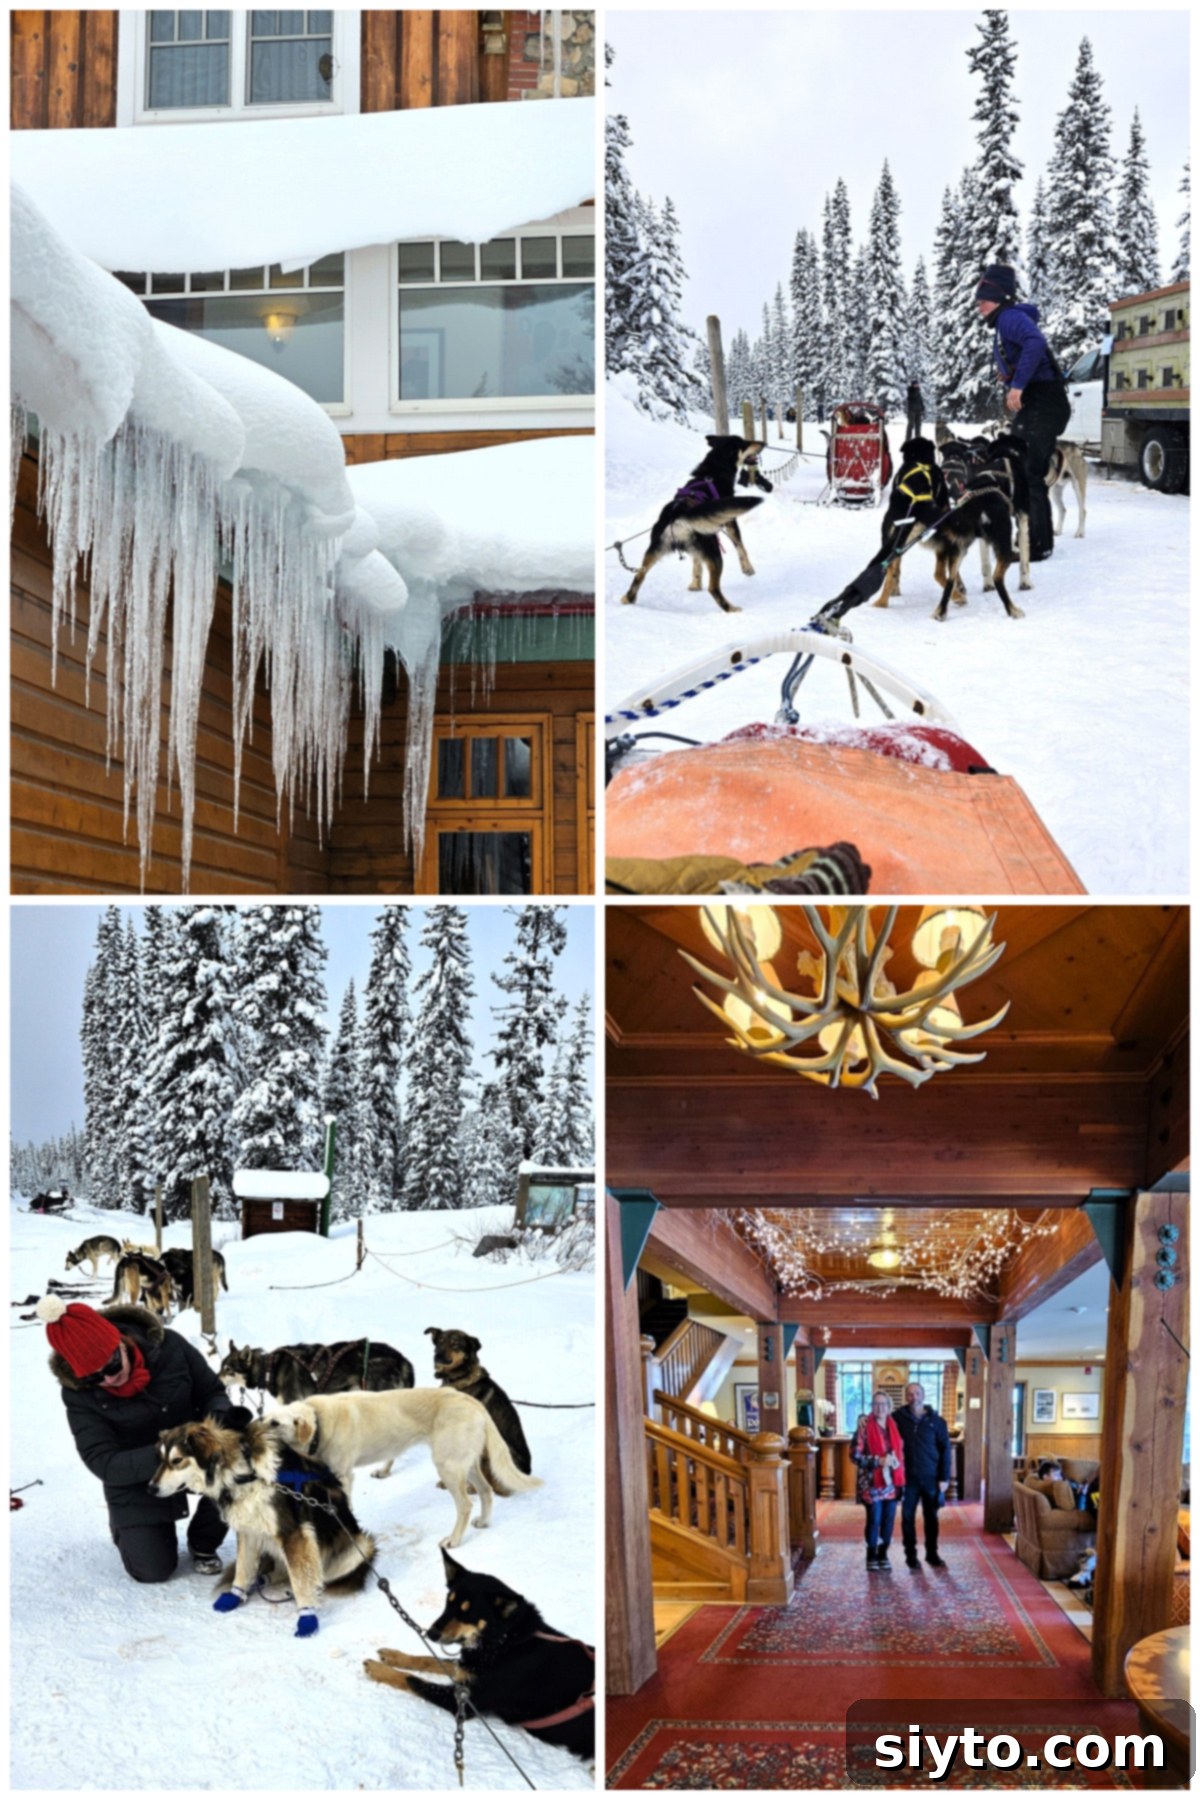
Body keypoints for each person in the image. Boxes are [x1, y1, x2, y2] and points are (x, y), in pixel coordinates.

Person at [37, 1292, 233, 1583]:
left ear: (120, 1342)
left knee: (236, 1466)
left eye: (112, 1365)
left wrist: (213, 1433)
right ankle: (128, 1529)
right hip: (137, 1476)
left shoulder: (170, 1346)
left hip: (196, 1455)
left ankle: (203, 1542)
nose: (108, 1378)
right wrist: (169, 1455)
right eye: (93, 1377)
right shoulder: (77, 1395)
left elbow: (213, 1394)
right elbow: (102, 1461)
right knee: (152, 1570)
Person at [974, 263, 1071, 564]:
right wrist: (1011, 376)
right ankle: (1030, 536)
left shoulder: (1010, 317)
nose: (979, 307)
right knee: (1021, 467)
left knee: (1028, 471)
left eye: (983, 300)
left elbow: (1035, 343)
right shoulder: (1006, 319)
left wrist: (1017, 386)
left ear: (1000, 297)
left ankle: (1037, 544)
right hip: (1040, 401)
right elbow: (1026, 353)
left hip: (1045, 401)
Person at [893, 1381, 952, 1570]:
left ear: (923, 1396)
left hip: (931, 1478)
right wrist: (862, 1418)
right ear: (906, 1397)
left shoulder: (937, 1421)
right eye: (910, 1394)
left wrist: (944, 1478)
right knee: (907, 1517)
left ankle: (932, 1554)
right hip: (908, 1478)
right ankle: (911, 1556)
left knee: (931, 1518)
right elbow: (878, 1420)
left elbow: (946, 1451)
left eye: (917, 1393)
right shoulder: (897, 1418)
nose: (914, 1397)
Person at [851, 1390, 906, 1572]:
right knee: (874, 1520)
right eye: (876, 1404)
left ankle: (883, 1554)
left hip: (891, 1483)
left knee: (888, 1520)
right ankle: (871, 1554)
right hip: (872, 1484)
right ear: (872, 1407)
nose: (880, 1407)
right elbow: (854, 1455)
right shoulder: (864, 1426)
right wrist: (877, 1461)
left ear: (889, 1407)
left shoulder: (896, 1425)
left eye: (883, 1404)